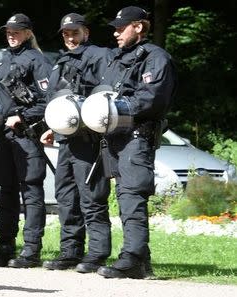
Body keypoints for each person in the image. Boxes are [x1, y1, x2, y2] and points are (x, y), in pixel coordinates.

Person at [96, 6, 176, 279]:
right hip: (116, 137)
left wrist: (112, 107)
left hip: (137, 136)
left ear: (139, 27)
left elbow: (152, 98)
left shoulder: (156, 57)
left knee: (132, 195)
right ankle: (142, 261)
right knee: (125, 196)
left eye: (121, 27)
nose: (116, 32)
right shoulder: (118, 58)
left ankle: (131, 258)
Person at [39, 13, 112, 273]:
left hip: (89, 140)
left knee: (91, 197)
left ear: (86, 32)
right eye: (66, 33)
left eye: (75, 32)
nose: (70, 37)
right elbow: (54, 99)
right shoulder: (62, 61)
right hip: (66, 141)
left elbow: (107, 94)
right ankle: (70, 252)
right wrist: (51, 127)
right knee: (66, 197)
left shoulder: (101, 56)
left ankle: (98, 253)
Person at [0, 13, 52, 268]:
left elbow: (48, 101)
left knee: (31, 191)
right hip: (4, 137)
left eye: (16, 31)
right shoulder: (2, 61)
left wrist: (21, 116)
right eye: (8, 31)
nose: (11, 35)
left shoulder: (38, 60)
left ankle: (31, 249)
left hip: (27, 135)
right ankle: (5, 245)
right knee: (6, 191)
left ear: (28, 32)